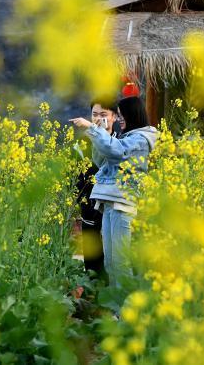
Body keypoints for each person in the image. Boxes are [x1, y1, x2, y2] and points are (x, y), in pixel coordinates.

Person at [70, 96, 158, 287]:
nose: (119, 119)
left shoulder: (140, 139)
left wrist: (92, 129)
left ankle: (125, 311)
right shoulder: (125, 138)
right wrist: (98, 133)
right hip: (110, 201)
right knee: (110, 263)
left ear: (132, 114)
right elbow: (102, 161)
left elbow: (116, 151)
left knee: (120, 263)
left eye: (120, 115)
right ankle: (117, 309)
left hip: (122, 204)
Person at [75, 100, 118, 280]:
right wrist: (81, 199)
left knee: (113, 256)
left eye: (103, 115)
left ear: (114, 117)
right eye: (94, 115)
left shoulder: (121, 142)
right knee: (91, 257)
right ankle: (91, 295)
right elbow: (77, 173)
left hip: (112, 207)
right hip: (89, 206)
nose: (99, 119)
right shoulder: (83, 143)